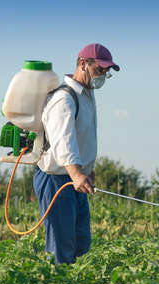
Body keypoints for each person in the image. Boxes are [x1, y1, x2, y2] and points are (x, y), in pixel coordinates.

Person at [33, 43, 120, 264]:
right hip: (57, 179)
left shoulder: (87, 95)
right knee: (63, 247)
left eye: (106, 72)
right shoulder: (64, 98)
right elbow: (64, 141)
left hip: (75, 176)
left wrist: (87, 171)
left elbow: (85, 137)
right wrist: (76, 173)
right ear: (83, 64)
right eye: (100, 69)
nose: (103, 75)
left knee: (81, 242)